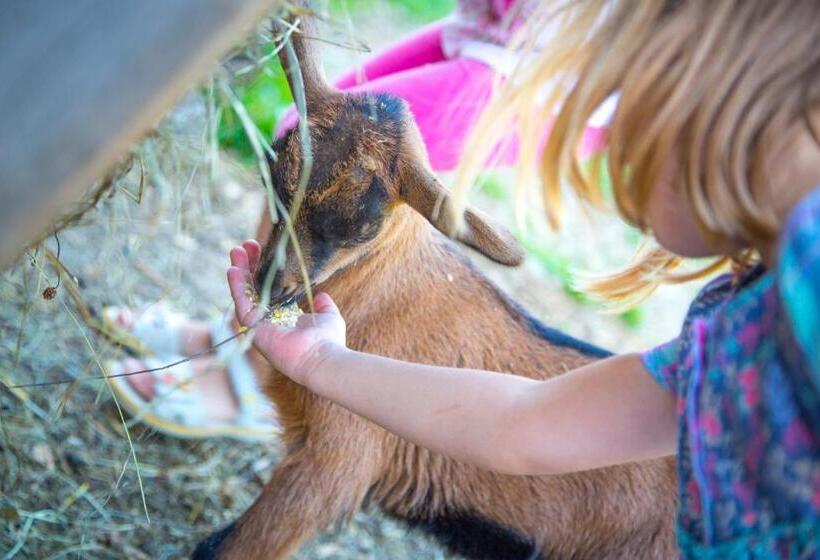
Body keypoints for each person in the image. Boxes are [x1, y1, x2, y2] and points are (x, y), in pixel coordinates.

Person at [224, 1, 820, 556]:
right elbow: (525, 424)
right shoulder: (738, 337)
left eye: (629, 106)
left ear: (728, 114)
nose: (610, 147)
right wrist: (320, 365)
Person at [106, 0, 609, 440]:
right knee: (304, 133)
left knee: (340, 164)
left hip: (554, 72)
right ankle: (235, 334)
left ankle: (255, 379)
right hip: (499, 29)